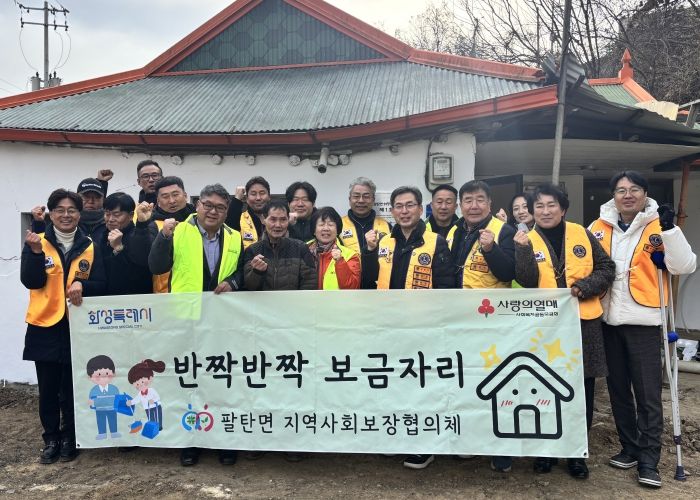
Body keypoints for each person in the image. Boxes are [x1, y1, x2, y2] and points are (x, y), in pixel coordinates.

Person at [589, 171, 696, 488]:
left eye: (634, 189)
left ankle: (649, 460)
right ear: (613, 195)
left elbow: (684, 265)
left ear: (645, 193)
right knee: (618, 391)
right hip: (607, 321)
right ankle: (630, 448)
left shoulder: (659, 225)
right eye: (621, 190)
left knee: (648, 395)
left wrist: (670, 230)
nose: (628, 195)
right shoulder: (597, 227)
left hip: (644, 322)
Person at [514, 183, 615, 479]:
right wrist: (522, 251)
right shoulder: (526, 239)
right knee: (543, 386)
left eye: (551, 205)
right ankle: (545, 451)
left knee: (581, 390)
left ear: (563, 209)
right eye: (539, 206)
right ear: (532, 211)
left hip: (583, 324)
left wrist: (585, 286)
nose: (545, 211)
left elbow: (607, 268)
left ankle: (575, 453)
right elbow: (526, 280)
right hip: (544, 328)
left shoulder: (582, 234)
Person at [148, 184, 244, 466]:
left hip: (221, 321)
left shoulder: (235, 236)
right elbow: (156, 266)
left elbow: (241, 271)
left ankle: (223, 439)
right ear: (197, 204)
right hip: (185, 319)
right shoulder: (176, 230)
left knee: (221, 380)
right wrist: (164, 237)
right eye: (208, 205)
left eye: (220, 207)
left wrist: (234, 282)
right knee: (190, 381)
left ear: (227, 211)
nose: (213, 211)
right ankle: (192, 441)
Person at [361, 186, 453, 470]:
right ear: (392, 210)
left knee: (421, 387)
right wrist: (369, 252)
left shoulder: (435, 242)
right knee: (394, 384)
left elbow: (447, 287)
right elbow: (369, 280)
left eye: (410, 205)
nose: (404, 211)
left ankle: (424, 445)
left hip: (422, 329)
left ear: (420, 208)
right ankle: (397, 437)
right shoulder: (385, 242)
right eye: (398, 206)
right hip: (389, 326)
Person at [21, 188, 105, 464]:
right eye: (60, 210)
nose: (66, 215)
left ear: (80, 214)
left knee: (72, 387)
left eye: (71, 210)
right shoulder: (38, 243)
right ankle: (51, 439)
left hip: (76, 327)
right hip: (44, 325)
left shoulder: (90, 246)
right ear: (51, 214)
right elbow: (31, 281)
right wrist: (35, 253)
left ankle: (70, 437)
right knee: (47, 388)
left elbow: (102, 284)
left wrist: (83, 284)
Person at [450, 180, 515, 472]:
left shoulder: (504, 231)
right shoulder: (456, 231)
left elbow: (510, 272)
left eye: (479, 200)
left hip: (493, 322)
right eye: (468, 200)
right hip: (461, 320)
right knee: (467, 382)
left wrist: (490, 249)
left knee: (497, 383)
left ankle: (502, 448)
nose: (473, 206)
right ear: (460, 205)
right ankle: (471, 438)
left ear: (489, 203)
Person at [243, 200, 316, 292]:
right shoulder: (252, 250)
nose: (278, 225)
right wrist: (257, 272)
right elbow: (248, 286)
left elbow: (310, 283)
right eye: (273, 219)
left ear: (288, 220)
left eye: (283, 220)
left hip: (293, 301)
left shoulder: (300, 248)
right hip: (262, 301)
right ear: (263, 220)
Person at [148, 176, 196, 293]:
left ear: (185, 195)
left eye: (175, 194)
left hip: (198, 290)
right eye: (165, 197)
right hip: (165, 293)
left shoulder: (199, 221)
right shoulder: (153, 225)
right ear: (158, 201)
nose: (171, 201)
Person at [101, 192, 154, 295]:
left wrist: (118, 249)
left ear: (131, 216)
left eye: (117, 215)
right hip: (105, 300)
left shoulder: (139, 236)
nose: (110, 219)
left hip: (133, 300)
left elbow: (139, 272)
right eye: (107, 214)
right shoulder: (102, 236)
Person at [307, 207, 360, 289]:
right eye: (321, 224)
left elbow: (353, 287)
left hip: (336, 298)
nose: (326, 228)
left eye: (330, 225)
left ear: (337, 230)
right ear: (314, 230)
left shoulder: (350, 255)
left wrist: (340, 261)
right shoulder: (303, 251)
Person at [340, 177, 391, 255]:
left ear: (373, 200)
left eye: (366, 196)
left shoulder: (386, 226)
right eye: (356, 196)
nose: (361, 200)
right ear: (349, 199)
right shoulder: (339, 225)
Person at [226, 176, 271, 249]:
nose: (258, 198)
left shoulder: (277, 219)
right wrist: (237, 199)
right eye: (253, 194)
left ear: (269, 196)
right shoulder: (240, 219)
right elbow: (228, 227)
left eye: (262, 193)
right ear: (247, 198)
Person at [86, 355, 121, 440]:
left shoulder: (114, 388)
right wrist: (91, 402)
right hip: (99, 409)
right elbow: (91, 399)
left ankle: (114, 432)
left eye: (107, 374)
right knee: (100, 421)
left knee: (113, 420)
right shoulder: (94, 390)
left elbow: (117, 398)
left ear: (114, 374)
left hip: (112, 409)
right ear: (90, 377)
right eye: (98, 375)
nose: (103, 377)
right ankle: (102, 433)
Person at [127, 359, 166, 431]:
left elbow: (157, 397)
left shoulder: (151, 390)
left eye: (142, 382)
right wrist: (131, 402)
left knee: (158, 417)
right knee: (151, 418)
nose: (140, 385)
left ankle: (159, 426)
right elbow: (137, 399)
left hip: (156, 406)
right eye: (137, 384)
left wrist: (153, 400)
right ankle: (153, 428)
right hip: (147, 408)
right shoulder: (140, 394)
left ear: (150, 378)